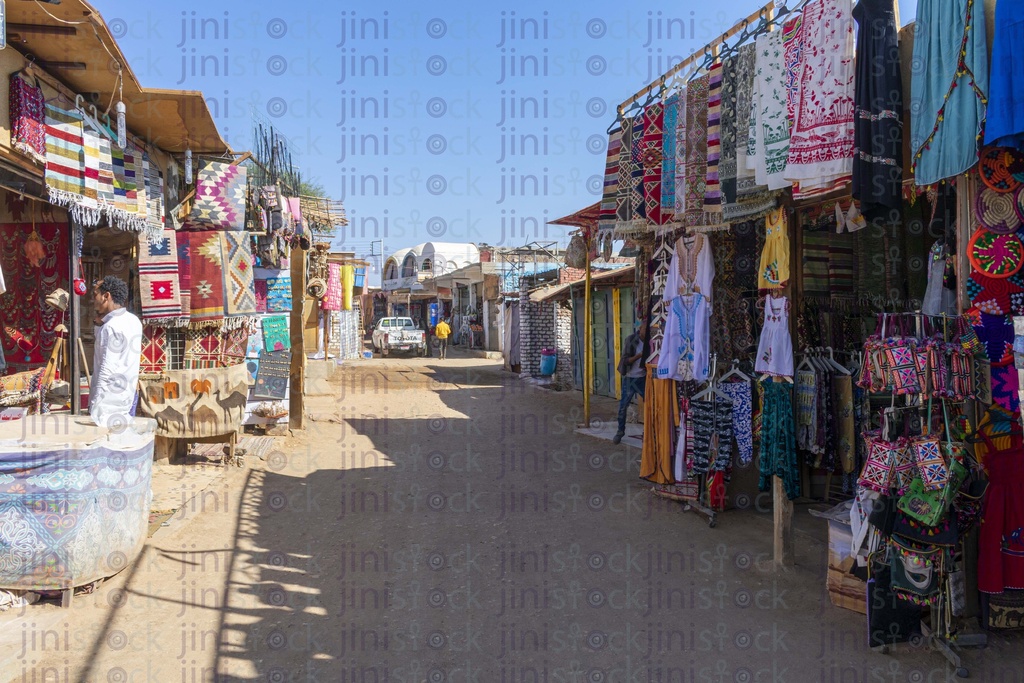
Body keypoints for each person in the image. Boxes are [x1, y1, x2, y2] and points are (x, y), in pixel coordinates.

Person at [90, 276, 142, 431]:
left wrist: (96, 403)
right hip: (127, 396)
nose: (94, 300)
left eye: (95, 295)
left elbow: (107, 368)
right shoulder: (133, 321)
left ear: (106, 296)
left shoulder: (111, 326)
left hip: (108, 403)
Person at [613, 318, 647, 444]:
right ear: (640, 329)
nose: (646, 331)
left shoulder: (650, 342)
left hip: (642, 378)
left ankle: (648, 431)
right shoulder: (631, 340)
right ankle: (620, 431)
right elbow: (625, 360)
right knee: (623, 406)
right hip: (630, 378)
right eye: (644, 329)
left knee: (650, 404)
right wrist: (639, 356)